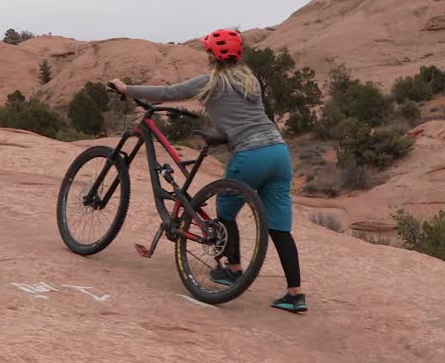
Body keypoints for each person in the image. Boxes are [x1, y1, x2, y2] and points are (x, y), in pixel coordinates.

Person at [108, 29, 306, 313]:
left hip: (250, 154)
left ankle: (233, 270)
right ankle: (295, 295)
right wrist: (224, 133)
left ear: (212, 56)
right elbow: (243, 118)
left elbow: (168, 93)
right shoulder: (251, 82)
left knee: (225, 208)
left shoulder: (210, 82)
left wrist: (128, 89)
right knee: (279, 227)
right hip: (278, 153)